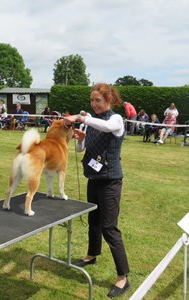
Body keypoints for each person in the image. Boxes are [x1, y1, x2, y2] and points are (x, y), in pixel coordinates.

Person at [64, 83, 130, 298]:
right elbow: (81, 149)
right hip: (93, 179)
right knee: (93, 222)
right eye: (92, 101)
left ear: (108, 99)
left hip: (110, 182)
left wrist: (83, 118)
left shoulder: (115, 119)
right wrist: (80, 140)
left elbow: (107, 128)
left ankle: (123, 278)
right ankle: (92, 255)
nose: (94, 105)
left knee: (109, 228)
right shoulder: (91, 122)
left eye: (98, 101)